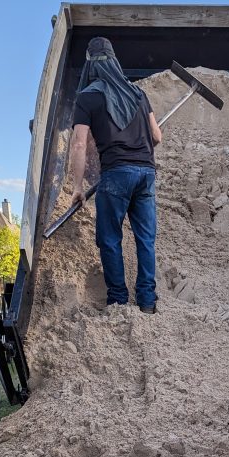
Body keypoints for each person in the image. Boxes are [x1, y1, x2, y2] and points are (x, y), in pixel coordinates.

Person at [70, 37, 162, 313]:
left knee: (110, 238)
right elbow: (157, 136)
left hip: (116, 175)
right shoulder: (137, 94)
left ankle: (119, 301)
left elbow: (78, 143)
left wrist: (77, 186)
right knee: (146, 239)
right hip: (146, 173)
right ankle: (147, 302)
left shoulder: (87, 97)